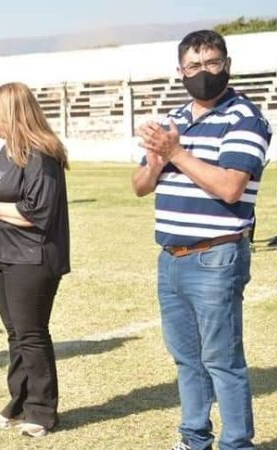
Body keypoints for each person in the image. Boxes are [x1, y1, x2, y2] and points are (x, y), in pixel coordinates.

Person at [131, 30, 271, 450]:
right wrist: (155, 162)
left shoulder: (245, 117)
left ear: (227, 63)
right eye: (194, 66)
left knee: (222, 361)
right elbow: (139, 186)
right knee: (187, 359)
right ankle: (194, 438)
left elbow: (230, 187)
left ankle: (236, 444)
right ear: (180, 71)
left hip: (216, 256)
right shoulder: (173, 119)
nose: (203, 73)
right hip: (171, 257)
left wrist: (176, 154)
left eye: (212, 63)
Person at [0, 82, 70, 438]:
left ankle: (42, 411)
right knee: (15, 334)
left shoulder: (42, 154)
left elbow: (38, 211)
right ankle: (19, 402)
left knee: (31, 333)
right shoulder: (6, 151)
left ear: (11, 114)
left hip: (31, 258)